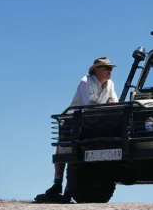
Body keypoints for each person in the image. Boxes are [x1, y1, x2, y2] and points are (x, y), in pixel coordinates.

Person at [36, 57, 118, 202]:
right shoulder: (85, 82)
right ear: (96, 70)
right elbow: (89, 105)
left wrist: (110, 105)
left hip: (97, 122)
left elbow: (115, 103)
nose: (109, 71)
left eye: (110, 68)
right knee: (65, 149)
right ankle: (58, 183)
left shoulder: (110, 84)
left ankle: (72, 187)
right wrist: (108, 105)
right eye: (106, 68)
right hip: (75, 120)